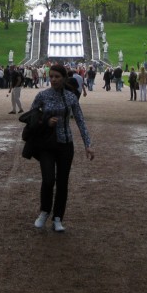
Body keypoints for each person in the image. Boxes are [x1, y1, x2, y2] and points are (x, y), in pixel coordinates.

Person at [30, 64, 95, 233]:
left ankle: (58, 217)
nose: (53, 79)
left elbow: (80, 120)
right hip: (47, 144)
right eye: (51, 76)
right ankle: (44, 211)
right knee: (48, 180)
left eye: (57, 77)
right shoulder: (42, 95)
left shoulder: (70, 97)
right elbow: (31, 118)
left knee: (62, 182)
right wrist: (45, 121)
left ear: (64, 78)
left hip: (66, 144)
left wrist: (88, 144)